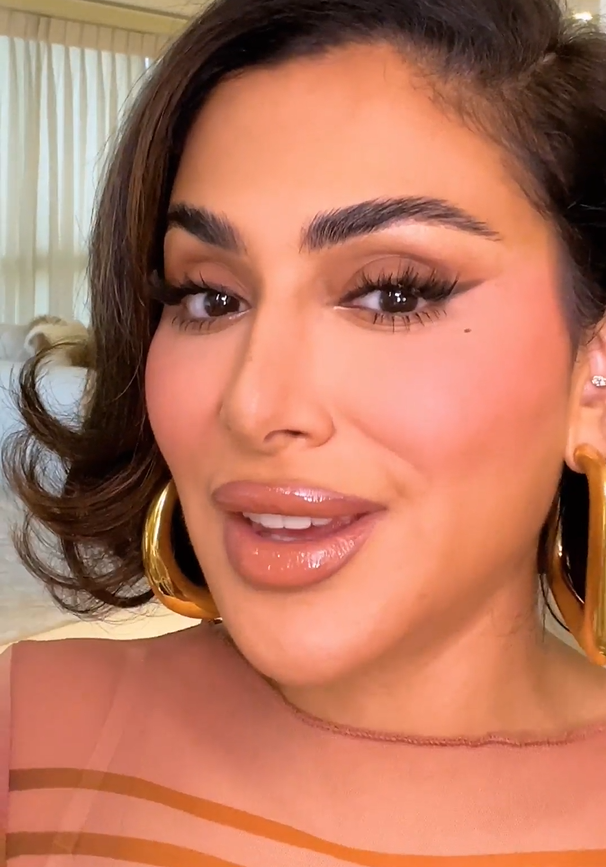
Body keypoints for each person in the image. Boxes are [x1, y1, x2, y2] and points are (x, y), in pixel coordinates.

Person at [3, 0, 606, 862]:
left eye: (393, 292)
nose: (253, 404)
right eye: (211, 296)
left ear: (594, 373)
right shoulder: (28, 726)